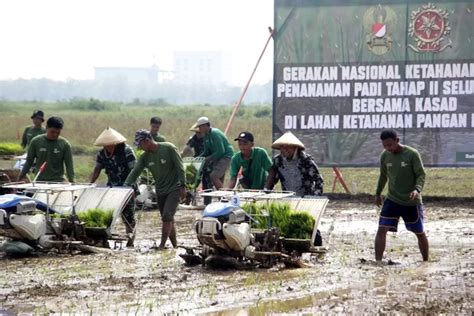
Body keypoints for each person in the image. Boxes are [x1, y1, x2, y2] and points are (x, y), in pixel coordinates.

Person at [124, 130, 186, 250]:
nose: (140, 148)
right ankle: (175, 246)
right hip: (160, 190)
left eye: (140, 145)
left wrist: (183, 185)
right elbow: (135, 172)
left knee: (167, 216)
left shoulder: (169, 148)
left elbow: (180, 167)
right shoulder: (145, 157)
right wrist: (125, 186)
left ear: (147, 141)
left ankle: (162, 245)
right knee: (167, 217)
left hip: (174, 188)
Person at [374, 129, 428, 263]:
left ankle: (425, 262)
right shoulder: (385, 156)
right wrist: (377, 193)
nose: (388, 148)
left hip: (411, 201)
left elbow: (421, 174)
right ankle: (378, 262)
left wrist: (417, 190)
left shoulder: (412, 154)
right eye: (385, 145)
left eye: (390, 145)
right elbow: (383, 176)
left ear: (397, 140)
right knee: (382, 229)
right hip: (392, 199)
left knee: (419, 232)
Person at [89, 127, 137, 247]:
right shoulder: (101, 154)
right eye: (106, 145)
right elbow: (97, 170)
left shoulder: (126, 151)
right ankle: (104, 239)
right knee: (108, 215)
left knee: (128, 217)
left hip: (126, 188)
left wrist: (132, 188)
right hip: (112, 188)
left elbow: (135, 171)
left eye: (110, 144)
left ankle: (131, 241)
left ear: (115, 143)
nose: (108, 147)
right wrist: (89, 184)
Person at [265, 131, 323, 196]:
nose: (285, 150)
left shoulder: (306, 160)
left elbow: (319, 180)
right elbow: (272, 180)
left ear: (295, 148)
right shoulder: (278, 161)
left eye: (288, 147)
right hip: (287, 198)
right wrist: (266, 190)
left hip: (306, 198)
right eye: (283, 147)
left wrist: (315, 197)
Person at [18, 116, 75, 183]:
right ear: (47, 128)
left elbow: (69, 166)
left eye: (58, 132)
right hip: (40, 181)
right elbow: (29, 161)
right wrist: (21, 176)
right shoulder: (36, 142)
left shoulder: (65, 144)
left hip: (58, 182)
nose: (55, 135)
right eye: (52, 132)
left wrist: (72, 182)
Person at [192, 116, 233, 192]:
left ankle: (224, 197)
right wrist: (198, 158)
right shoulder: (205, 136)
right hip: (217, 157)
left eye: (200, 127)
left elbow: (221, 151)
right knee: (219, 179)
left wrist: (208, 158)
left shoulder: (215, 133)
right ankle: (221, 198)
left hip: (225, 156)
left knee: (214, 176)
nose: (199, 129)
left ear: (205, 125)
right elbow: (206, 151)